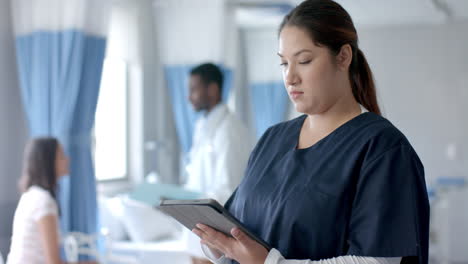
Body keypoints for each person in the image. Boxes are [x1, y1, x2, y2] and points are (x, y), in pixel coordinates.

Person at [192, 1, 430, 264]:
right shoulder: (272, 140)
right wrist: (217, 245)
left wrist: (271, 263)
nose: (290, 77)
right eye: (283, 64)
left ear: (343, 57)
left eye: (304, 61)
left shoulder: (381, 148)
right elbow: (241, 233)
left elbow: (377, 260)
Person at [185, 63, 252, 204]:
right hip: (195, 213)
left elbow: (228, 189)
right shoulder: (202, 126)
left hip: (210, 218)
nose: (189, 97)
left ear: (213, 90)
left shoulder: (229, 129)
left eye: (193, 90)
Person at [7, 137, 69, 264]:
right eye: (61, 156)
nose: (67, 160)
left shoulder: (31, 195)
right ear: (48, 161)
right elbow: (54, 262)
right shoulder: (43, 201)